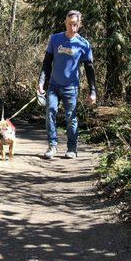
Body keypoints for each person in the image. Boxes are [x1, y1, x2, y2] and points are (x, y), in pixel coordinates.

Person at [37, 10, 97, 159]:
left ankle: (72, 148)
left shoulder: (84, 44)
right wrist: (41, 82)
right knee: (50, 111)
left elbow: (90, 70)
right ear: (65, 22)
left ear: (80, 24)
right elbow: (47, 63)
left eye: (75, 24)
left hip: (71, 87)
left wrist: (93, 91)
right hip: (54, 85)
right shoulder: (55, 39)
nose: (73, 28)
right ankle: (52, 146)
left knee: (71, 117)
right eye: (70, 24)